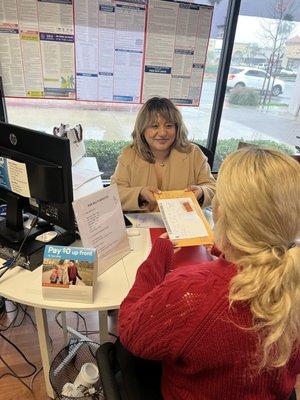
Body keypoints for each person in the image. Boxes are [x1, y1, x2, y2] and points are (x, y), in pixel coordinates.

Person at [118, 147, 300, 399]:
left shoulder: (189, 293)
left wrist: (159, 255)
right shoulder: (293, 279)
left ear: (221, 212)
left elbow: (131, 332)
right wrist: (227, 251)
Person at [110, 97, 216, 211]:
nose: (162, 133)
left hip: (184, 224)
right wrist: (140, 194)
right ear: (142, 129)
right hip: (141, 225)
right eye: (154, 126)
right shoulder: (129, 154)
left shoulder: (194, 154)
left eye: (169, 125)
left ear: (177, 128)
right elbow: (113, 194)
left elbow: (213, 189)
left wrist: (201, 192)